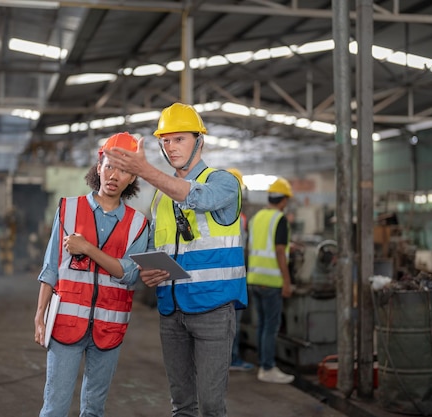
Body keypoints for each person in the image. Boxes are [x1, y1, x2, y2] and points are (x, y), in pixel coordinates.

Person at [104, 102, 248, 417]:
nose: (171, 147)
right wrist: (150, 271)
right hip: (171, 311)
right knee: (181, 406)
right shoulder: (159, 198)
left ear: (200, 140)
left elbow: (198, 197)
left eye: (179, 138)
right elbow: (158, 247)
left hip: (212, 309)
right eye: (165, 141)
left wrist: (146, 171)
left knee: (211, 407)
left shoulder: (223, 182)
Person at [33, 132, 150, 417]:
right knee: (55, 408)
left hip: (109, 329)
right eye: (109, 165)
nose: (114, 175)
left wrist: (86, 247)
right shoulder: (68, 209)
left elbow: (129, 274)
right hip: (65, 324)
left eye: (124, 170)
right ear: (99, 167)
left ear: (133, 177)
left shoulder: (138, 224)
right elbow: (51, 267)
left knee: (94, 410)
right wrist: (40, 314)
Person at [247, 177, 295, 384]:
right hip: (271, 281)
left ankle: (262, 364)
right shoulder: (280, 219)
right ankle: (267, 367)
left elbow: (254, 247)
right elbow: (278, 251)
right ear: (283, 200)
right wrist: (286, 281)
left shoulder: (256, 217)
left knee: (262, 325)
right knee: (270, 326)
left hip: (254, 278)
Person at [226, 168, 255, 372]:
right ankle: (232, 358)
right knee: (232, 321)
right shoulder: (239, 216)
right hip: (233, 275)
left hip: (217, 275)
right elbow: (241, 249)